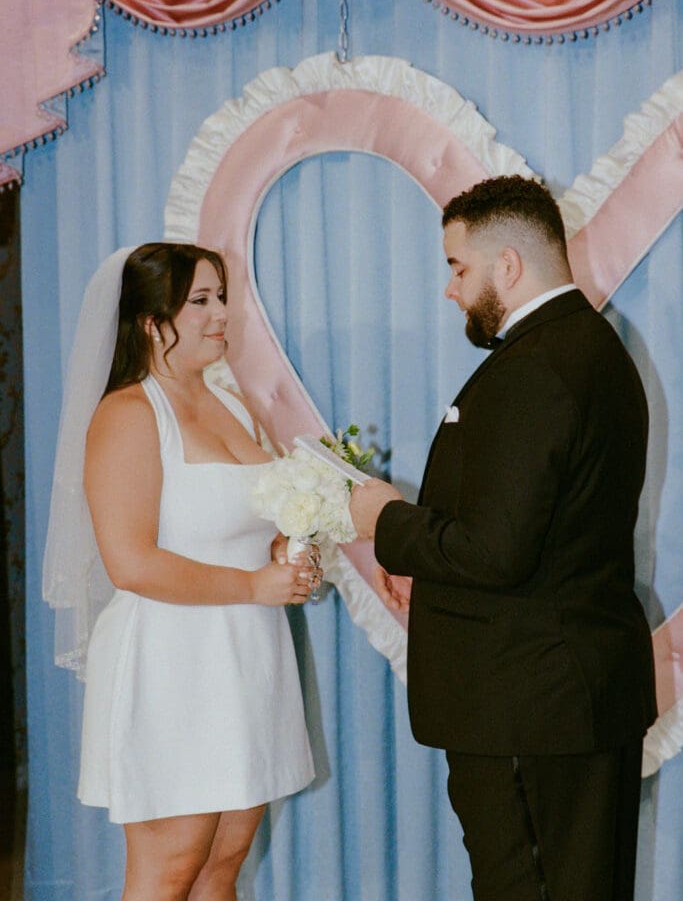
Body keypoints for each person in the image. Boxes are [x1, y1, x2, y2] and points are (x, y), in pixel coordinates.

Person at [349, 175, 657, 901]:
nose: (450, 289)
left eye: (457, 267)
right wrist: (428, 562)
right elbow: (539, 536)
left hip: (529, 703)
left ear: (507, 265)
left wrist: (383, 520)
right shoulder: (588, 348)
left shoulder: (534, 370)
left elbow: (494, 552)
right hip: (557, 694)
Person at [43, 243, 318, 900]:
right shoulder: (128, 414)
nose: (222, 312)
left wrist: (283, 549)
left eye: (221, 296)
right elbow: (131, 562)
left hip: (248, 655)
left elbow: (248, 521)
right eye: (201, 300)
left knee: (222, 865)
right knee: (169, 871)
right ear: (148, 320)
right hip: (173, 663)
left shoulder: (236, 405)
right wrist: (255, 585)